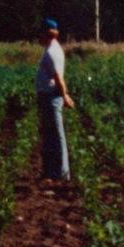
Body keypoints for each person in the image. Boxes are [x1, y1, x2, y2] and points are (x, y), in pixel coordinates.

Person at [34, 18, 74, 181]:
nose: (38, 37)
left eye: (40, 33)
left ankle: (62, 173)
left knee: (56, 135)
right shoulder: (52, 49)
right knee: (50, 135)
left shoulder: (52, 52)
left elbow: (58, 77)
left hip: (52, 97)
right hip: (48, 96)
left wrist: (65, 96)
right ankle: (51, 172)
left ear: (47, 34)